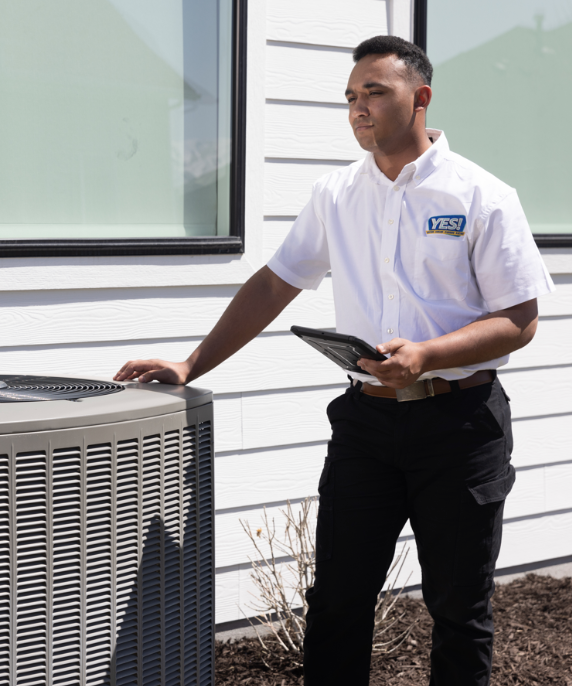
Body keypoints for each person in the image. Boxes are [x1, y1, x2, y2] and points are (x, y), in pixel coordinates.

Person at [115, 35, 554, 685]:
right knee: (338, 601)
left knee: (460, 609)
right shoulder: (336, 194)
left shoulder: (481, 196)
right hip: (366, 429)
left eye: (376, 92)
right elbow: (273, 284)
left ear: (421, 97)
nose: (359, 108)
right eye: (351, 97)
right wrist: (191, 365)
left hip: (461, 427)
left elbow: (520, 320)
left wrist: (428, 355)